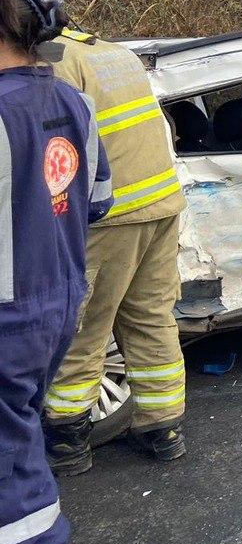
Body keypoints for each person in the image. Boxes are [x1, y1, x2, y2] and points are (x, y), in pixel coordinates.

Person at [0, 0, 112, 544]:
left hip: (7, 316)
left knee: (11, 470)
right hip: (56, 305)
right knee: (18, 446)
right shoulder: (73, 102)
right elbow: (96, 201)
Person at [41, 25, 188, 474]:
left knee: (83, 327)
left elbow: (56, 150)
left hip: (111, 216)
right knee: (150, 318)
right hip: (161, 204)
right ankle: (163, 431)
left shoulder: (55, 63)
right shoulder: (112, 52)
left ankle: (67, 443)